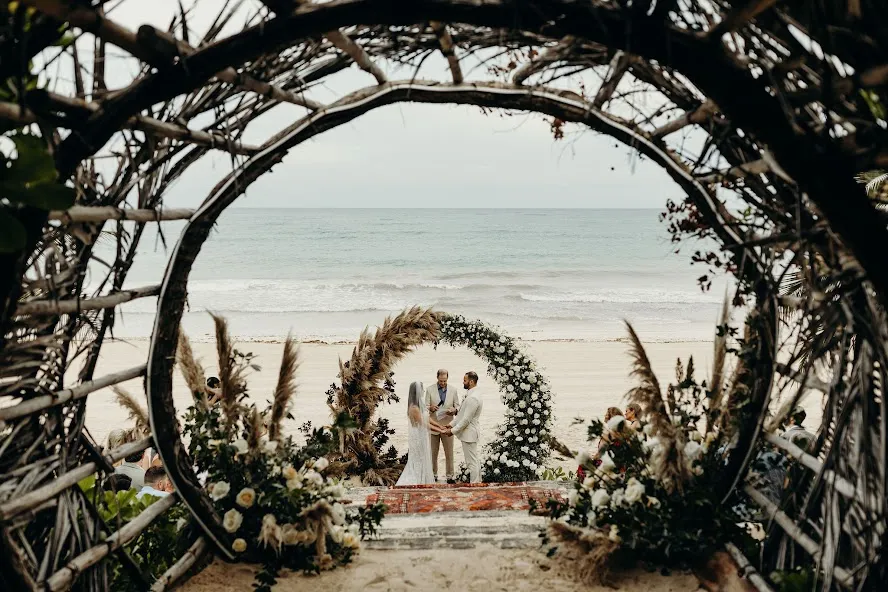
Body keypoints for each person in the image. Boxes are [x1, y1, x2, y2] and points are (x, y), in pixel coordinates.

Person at [395, 382, 446, 486]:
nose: (423, 391)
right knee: (418, 458)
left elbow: (428, 418)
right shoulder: (414, 408)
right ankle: (417, 480)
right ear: (417, 392)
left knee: (422, 457)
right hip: (418, 436)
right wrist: (440, 431)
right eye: (421, 390)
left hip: (421, 434)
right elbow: (424, 424)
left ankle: (423, 479)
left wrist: (439, 425)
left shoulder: (419, 405)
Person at [443, 371, 484, 483]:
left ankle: (475, 484)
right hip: (468, 433)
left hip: (469, 433)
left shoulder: (473, 398)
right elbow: (461, 414)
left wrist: (452, 431)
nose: (463, 382)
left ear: (471, 382)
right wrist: (450, 424)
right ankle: (477, 482)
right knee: (473, 460)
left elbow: (466, 420)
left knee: (472, 462)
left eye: (465, 380)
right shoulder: (471, 394)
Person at [425, 369, 460, 483]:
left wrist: (454, 410)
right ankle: (433, 475)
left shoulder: (454, 390)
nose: (443, 383)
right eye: (441, 381)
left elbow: (458, 407)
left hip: (448, 426)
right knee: (433, 453)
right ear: (437, 378)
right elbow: (424, 408)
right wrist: (430, 408)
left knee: (449, 453)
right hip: (433, 426)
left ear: (447, 379)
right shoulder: (429, 390)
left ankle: (450, 476)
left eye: (445, 381)